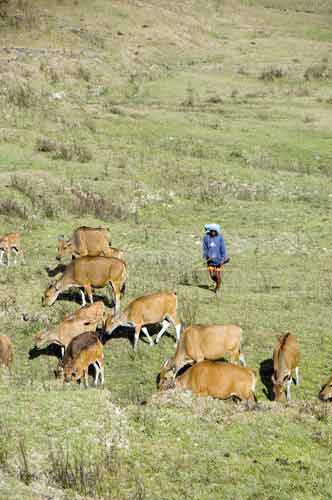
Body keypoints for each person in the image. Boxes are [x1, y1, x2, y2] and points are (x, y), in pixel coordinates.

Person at [202, 223, 229, 293]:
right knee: (212, 275)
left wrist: (223, 259)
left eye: (214, 231)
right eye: (212, 231)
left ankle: (217, 288)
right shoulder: (206, 238)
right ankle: (218, 282)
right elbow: (205, 249)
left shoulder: (220, 238)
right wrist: (206, 256)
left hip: (219, 260)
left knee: (217, 274)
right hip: (210, 261)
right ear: (209, 231)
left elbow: (223, 249)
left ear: (217, 231)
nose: (213, 232)